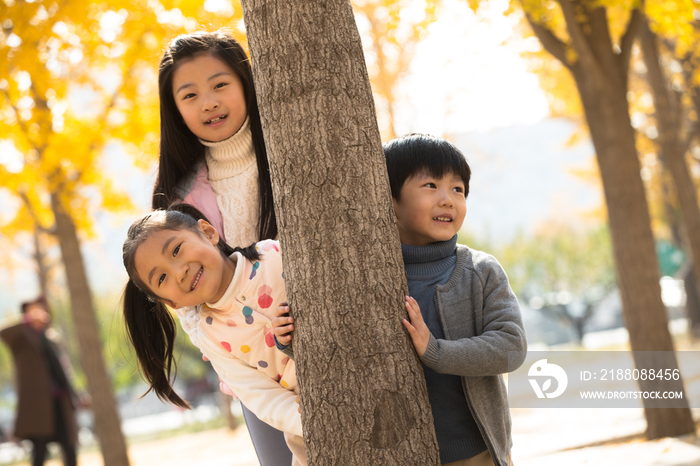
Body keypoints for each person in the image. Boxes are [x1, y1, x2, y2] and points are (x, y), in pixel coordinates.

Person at [273, 134, 527, 466]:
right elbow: (344, 351)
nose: (448, 199)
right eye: (431, 186)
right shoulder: (366, 277)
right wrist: (290, 339)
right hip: (397, 454)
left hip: (476, 451)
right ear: (390, 202)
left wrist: (436, 352)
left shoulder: (480, 271)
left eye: (458, 189)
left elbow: (511, 347)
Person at [151, 30, 290, 464]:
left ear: (246, 83)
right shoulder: (180, 200)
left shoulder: (291, 149)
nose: (209, 102)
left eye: (220, 84)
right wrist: (255, 342)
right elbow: (189, 307)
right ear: (175, 110)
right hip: (255, 366)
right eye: (189, 95)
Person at [122, 206, 306, 466]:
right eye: (162, 277)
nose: (179, 272)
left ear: (208, 232)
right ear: (171, 303)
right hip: (306, 426)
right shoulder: (212, 336)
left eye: (176, 250)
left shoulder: (273, 254)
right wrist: (311, 420)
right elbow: (260, 395)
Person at [0, 296, 79, 466]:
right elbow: (3, 332)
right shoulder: (21, 338)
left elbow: (64, 371)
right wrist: (28, 321)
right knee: (40, 449)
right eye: (33, 310)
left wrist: (76, 395)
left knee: (69, 446)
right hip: (37, 405)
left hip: (60, 401)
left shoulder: (51, 337)